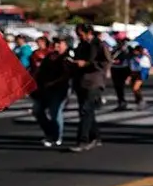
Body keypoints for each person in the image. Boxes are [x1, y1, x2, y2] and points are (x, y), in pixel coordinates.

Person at [69, 23, 110, 152]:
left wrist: (86, 63)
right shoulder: (81, 45)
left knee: (86, 110)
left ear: (89, 33)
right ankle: (96, 136)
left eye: (80, 34)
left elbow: (105, 62)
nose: (79, 37)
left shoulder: (99, 45)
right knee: (87, 111)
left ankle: (83, 140)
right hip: (81, 81)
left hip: (94, 81)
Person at [32, 37, 71, 147]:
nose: (57, 46)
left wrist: (53, 83)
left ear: (66, 46)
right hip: (44, 88)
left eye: (60, 43)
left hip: (59, 89)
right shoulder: (49, 56)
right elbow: (39, 71)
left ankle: (56, 136)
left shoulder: (67, 58)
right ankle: (49, 132)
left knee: (55, 112)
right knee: (37, 111)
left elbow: (66, 75)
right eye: (55, 43)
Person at [109, 33, 133, 111]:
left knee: (124, 86)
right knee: (118, 87)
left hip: (124, 68)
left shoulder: (128, 48)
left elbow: (130, 57)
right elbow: (111, 56)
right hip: (115, 69)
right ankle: (121, 103)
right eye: (121, 40)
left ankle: (138, 100)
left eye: (124, 40)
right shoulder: (114, 48)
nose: (123, 42)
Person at [128, 44, 151, 109]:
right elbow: (132, 67)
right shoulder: (133, 57)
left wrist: (142, 75)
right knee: (135, 89)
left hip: (140, 74)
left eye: (136, 51)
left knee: (135, 88)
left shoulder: (144, 57)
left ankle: (141, 101)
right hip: (133, 73)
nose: (134, 52)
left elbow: (146, 67)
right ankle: (138, 102)